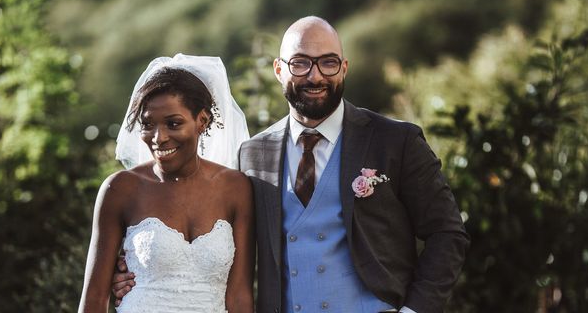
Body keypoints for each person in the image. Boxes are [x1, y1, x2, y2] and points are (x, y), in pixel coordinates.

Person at [113, 17, 469, 313]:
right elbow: (212, 240)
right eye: (300, 63)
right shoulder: (251, 154)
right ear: (279, 70)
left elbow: (447, 233)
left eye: (328, 62)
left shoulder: (396, 141)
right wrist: (141, 270)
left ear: (344, 68)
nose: (315, 77)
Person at [79, 55, 255, 313]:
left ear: (202, 121)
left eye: (173, 124)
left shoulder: (235, 188)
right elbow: (93, 299)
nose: (159, 138)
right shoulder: (120, 189)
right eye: (148, 125)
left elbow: (240, 295)